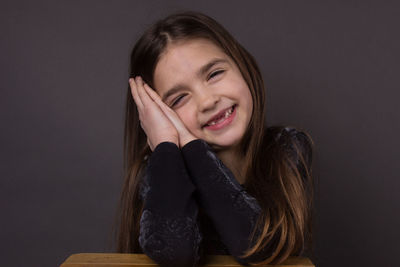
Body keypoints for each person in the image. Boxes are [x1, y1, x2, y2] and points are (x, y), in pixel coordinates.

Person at [116, 11, 314, 267]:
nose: (208, 101)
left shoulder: (286, 148)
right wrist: (168, 144)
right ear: (156, 116)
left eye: (214, 74)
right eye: (179, 99)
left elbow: (259, 248)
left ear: (243, 66)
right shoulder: (161, 171)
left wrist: (191, 146)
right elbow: (174, 254)